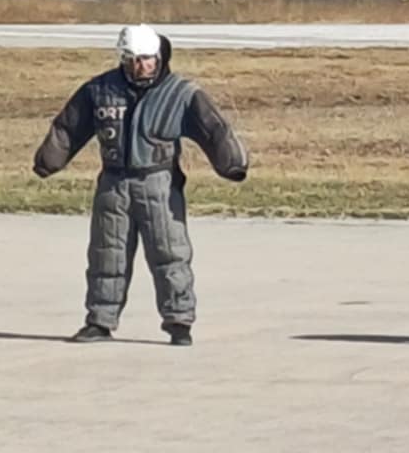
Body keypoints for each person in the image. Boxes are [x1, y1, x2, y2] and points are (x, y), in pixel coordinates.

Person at [33, 24, 248, 346]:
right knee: (107, 255)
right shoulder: (99, 90)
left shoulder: (182, 93)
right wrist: (49, 160)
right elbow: (68, 127)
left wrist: (231, 164)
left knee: (170, 254)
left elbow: (214, 129)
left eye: (147, 59)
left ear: (159, 56)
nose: (140, 66)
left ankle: (179, 321)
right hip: (113, 183)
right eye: (132, 59)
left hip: (158, 183)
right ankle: (100, 321)